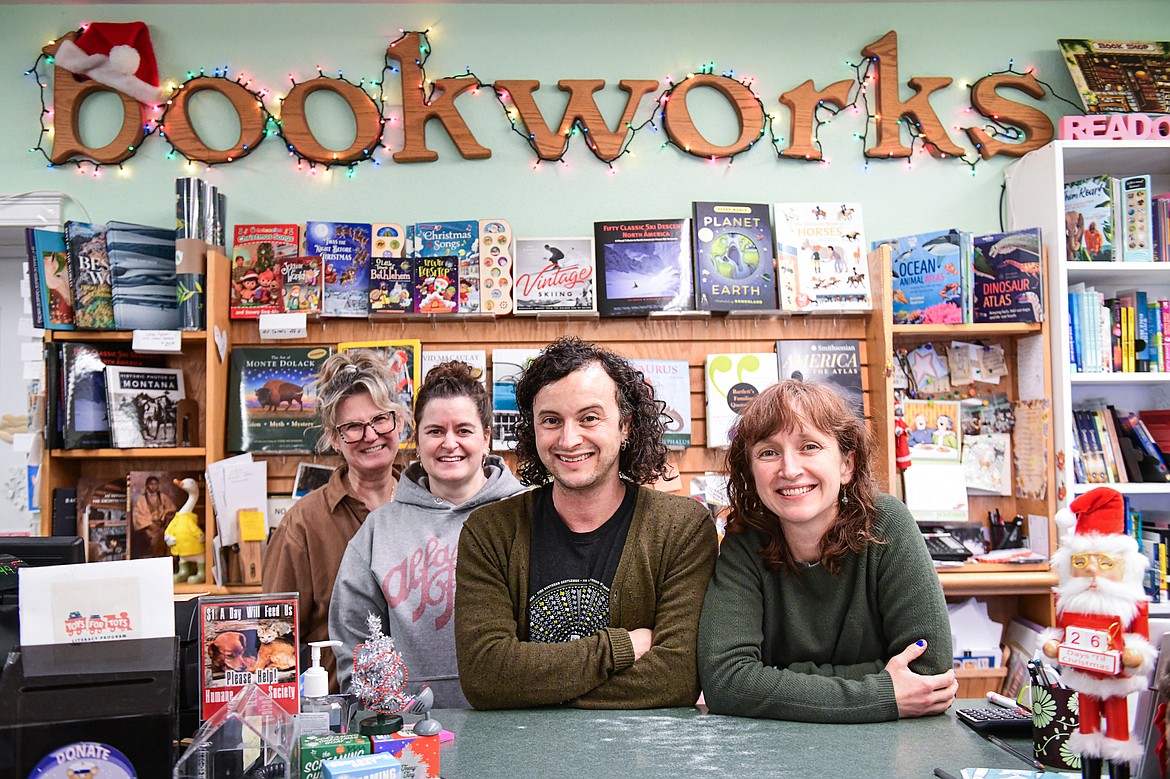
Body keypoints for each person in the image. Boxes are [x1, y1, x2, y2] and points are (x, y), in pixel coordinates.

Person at [455, 336, 718, 709]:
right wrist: (621, 648)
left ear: (625, 426)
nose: (569, 438)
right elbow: (486, 676)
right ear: (533, 429)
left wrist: (529, 687)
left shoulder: (682, 528)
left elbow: (677, 678)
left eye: (589, 418)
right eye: (551, 421)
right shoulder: (490, 533)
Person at [697, 379, 956, 723]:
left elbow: (928, 671)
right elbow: (726, 682)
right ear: (751, 471)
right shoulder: (744, 541)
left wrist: (775, 675)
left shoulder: (887, 525)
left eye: (809, 446)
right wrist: (880, 690)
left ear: (847, 465)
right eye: (769, 452)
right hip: (776, 754)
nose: (789, 470)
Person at [330, 361, 525, 708]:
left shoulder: (530, 513)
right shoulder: (378, 530)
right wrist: (385, 711)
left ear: (486, 437)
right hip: (412, 732)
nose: (450, 443)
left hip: (519, 722)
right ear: (417, 440)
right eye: (435, 431)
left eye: (463, 430)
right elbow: (354, 643)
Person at [263, 350, 408, 692]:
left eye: (381, 420)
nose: (371, 435)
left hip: (423, 711)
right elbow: (273, 639)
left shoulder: (428, 507)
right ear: (333, 438)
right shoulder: (302, 526)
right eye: (353, 427)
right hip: (338, 720)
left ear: (398, 423)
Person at [1042, 487, 1154, 779]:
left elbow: (1141, 643)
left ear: (1124, 565)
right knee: (1086, 731)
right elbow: (1061, 634)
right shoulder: (1067, 601)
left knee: (1118, 733)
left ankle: (1120, 773)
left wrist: (1134, 656)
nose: (1092, 571)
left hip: (1115, 678)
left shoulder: (1133, 603)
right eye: (1081, 562)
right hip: (1084, 676)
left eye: (1105, 563)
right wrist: (1053, 646)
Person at [131, 475, 177, 558]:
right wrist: (150, 524)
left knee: (168, 534)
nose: (153, 486)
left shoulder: (162, 497)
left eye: (155, 484)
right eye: (151, 484)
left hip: (162, 524)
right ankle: (157, 557)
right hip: (148, 526)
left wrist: (163, 518)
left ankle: (167, 558)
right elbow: (138, 514)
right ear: (147, 485)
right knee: (157, 536)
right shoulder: (141, 499)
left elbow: (171, 508)